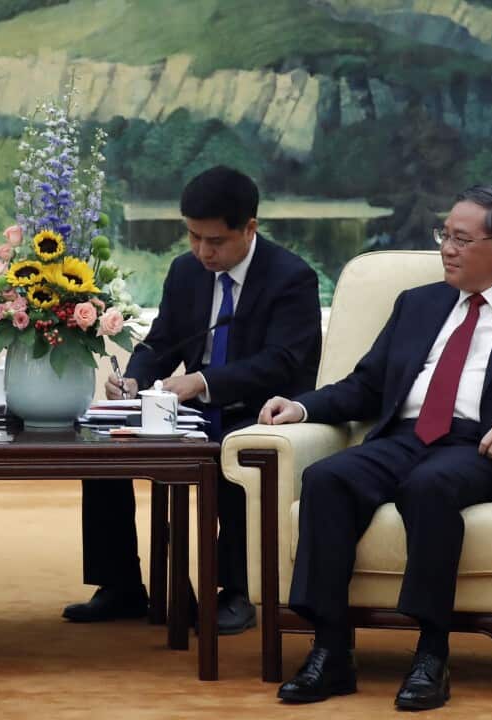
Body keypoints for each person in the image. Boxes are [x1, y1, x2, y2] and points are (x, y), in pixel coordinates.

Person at [259, 185, 492, 710]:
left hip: (480, 445)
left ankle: (431, 654)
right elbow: (367, 385)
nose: (447, 248)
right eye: (444, 235)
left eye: (462, 239)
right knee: (326, 479)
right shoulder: (418, 303)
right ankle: (330, 650)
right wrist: (303, 407)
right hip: (404, 435)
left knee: (430, 487)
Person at [63, 166, 323, 635]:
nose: (203, 251)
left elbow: (282, 362)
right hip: (192, 409)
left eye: (216, 241)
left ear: (249, 228)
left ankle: (237, 591)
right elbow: (162, 341)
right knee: (103, 451)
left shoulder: (291, 277)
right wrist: (135, 380)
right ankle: (120, 585)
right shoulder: (186, 271)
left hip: (261, 411)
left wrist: (201, 381)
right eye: (194, 236)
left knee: (237, 452)